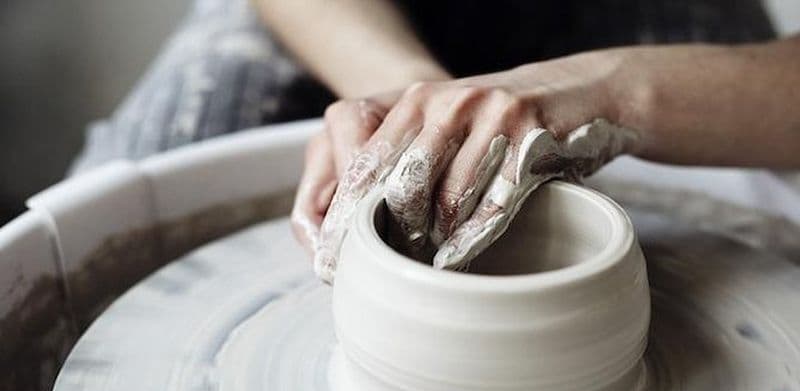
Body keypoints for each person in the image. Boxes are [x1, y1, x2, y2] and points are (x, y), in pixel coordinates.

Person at [72, 0, 798, 281]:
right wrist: (412, 96)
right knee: (121, 202)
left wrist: (615, 90)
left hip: (658, 25)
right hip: (366, 16)